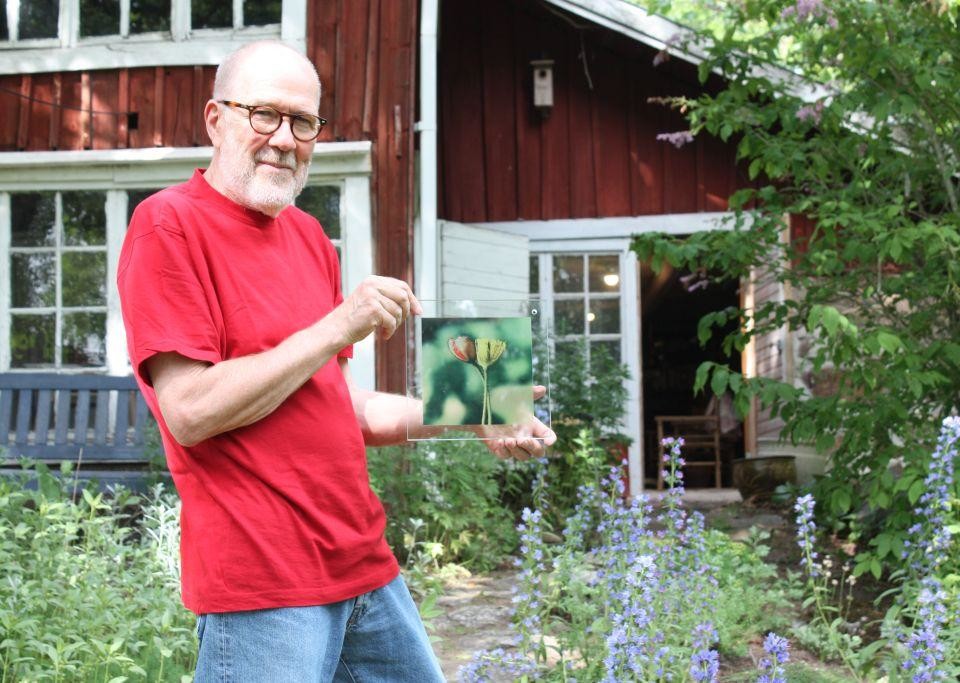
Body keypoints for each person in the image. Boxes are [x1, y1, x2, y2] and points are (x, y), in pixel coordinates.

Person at [117, 40, 555, 682]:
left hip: (364, 568)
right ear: (216, 119)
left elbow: (341, 411)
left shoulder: (308, 239)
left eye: (303, 123)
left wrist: (479, 411)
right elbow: (190, 412)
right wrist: (336, 325)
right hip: (263, 588)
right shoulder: (167, 226)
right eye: (264, 115)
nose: (284, 139)